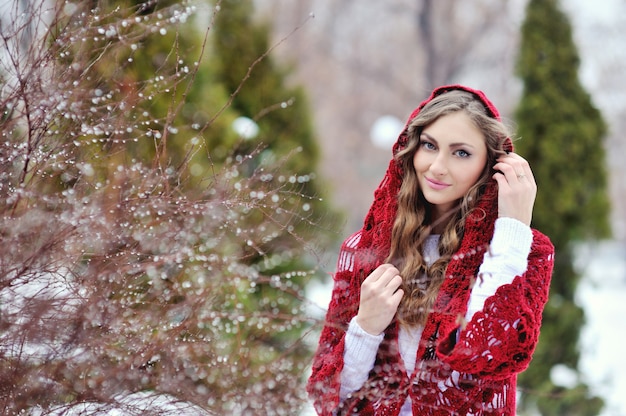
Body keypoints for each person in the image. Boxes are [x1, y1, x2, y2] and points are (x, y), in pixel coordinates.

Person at [306, 85, 554, 415]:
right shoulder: (366, 248)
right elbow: (330, 398)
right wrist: (365, 328)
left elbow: (488, 352)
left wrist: (513, 227)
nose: (438, 166)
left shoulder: (525, 252)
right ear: (412, 148)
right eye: (429, 145)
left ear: (491, 165)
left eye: (461, 152)